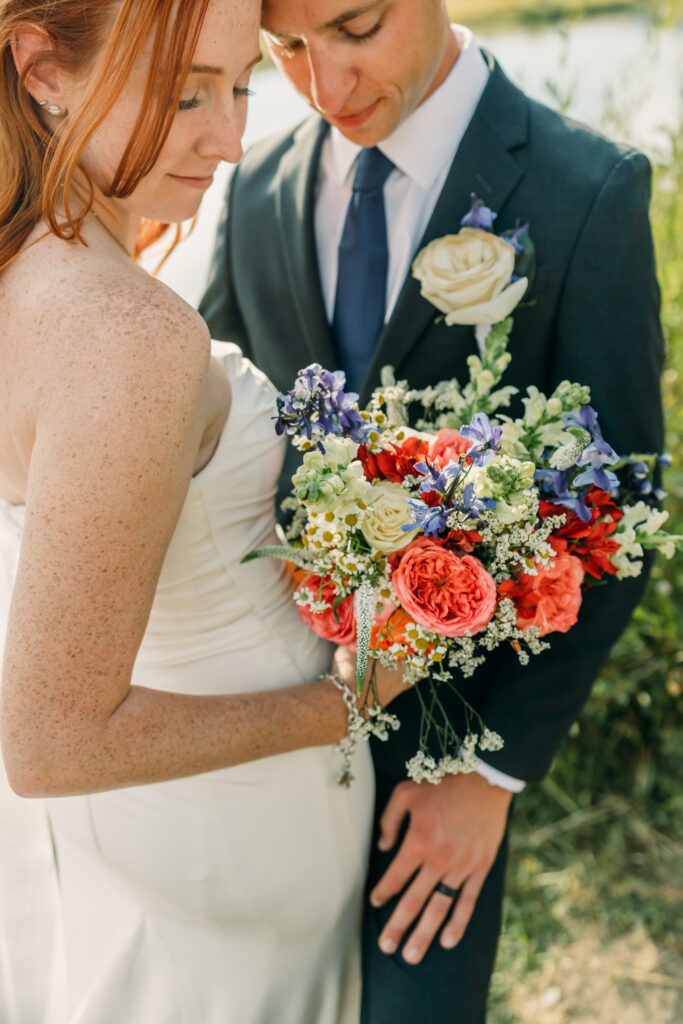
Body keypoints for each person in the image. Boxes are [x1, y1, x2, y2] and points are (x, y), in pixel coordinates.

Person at [199, 1, 665, 1020]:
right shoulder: (254, 186)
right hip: (257, 750)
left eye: (354, 29)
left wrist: (489, 772)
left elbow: (623, 508)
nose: (325, 87)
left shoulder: (585, 189)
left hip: (436, 776)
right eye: (286, 50)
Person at [0, 1, 408, 1021]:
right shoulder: (125, 335)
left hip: (157, 839)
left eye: (238, 88)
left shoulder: (30, 274)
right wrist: (350, 701)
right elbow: (51, 743)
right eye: (186, 92)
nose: (229, 140)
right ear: (40, 67)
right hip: (232, 847)